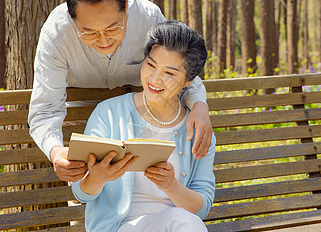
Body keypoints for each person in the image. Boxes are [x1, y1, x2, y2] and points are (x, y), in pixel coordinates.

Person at [28, 0, 213, 182]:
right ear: (72, 20)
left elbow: (179, 68)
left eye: (113, 28)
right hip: (81, 120)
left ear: (126, 8)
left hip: (142, 117)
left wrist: (199, 105)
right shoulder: (56, 33)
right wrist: (55, 151)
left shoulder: (149, 17)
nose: (104, 40)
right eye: (89, 33)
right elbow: (45, 109)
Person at [71, 21, 215, 232]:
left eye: (169, 73)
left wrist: (171, 185)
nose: (155, 79)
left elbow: (201, 209)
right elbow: (80, 192)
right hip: (117, 228)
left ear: (188, 81)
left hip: (175, 225)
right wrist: (97, 177)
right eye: (151, 65)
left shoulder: (197, 130)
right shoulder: (109, 113)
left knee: (186, 221)